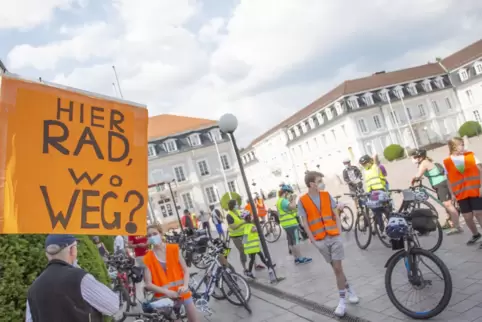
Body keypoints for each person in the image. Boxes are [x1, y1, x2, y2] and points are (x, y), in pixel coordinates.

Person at [298, 171, 359, 317]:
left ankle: (342, 302)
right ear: (311, 184)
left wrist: (338, 232)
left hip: (334, 236)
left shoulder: (326, 195)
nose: (322, 183)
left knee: (338, 268)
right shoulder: (303, 200)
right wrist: (313, 241)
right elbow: (305, 223)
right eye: (319, 180)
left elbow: (335, 215)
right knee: (335, 269)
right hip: (320, 240)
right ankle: (349, 288)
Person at [26, 234, 119, 321]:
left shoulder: (33, 288)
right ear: (72, 250)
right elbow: (113, 305)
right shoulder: (80, 278)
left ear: (47, 254)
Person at [143, 224, 200, 322]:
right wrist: (167, 292)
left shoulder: (173, 249)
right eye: (149, 235)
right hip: (164, 299)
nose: (152, 237)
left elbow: (185, 270)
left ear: (161, 234)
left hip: (182, 293)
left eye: (155, 234)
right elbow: (148, 284)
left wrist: (185, 286)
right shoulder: (147, 258)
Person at [411, 148, 462, 234]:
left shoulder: (424, 163)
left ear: (420, 157)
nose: (413, 159)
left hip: (441, 184)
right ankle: (451, 223)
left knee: (448, 205)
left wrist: (413, 180)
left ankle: (457, 227)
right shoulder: (426, 161)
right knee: (446, 205)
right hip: (441, 184)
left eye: (415, 157)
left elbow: (418, 175)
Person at [443, 137, 482, 247]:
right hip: (461, 193)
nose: (463, 146)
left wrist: (481, 187)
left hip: (475, 190)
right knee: (467, 217)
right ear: (453, 146)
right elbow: (449, 179)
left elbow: (481, 171)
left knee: (479, 213)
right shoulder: (447, 161)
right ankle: (476, 234)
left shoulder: (471, 156)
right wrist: (452, 194)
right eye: (460, 144)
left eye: (463, 144)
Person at [277, 184, 312, 264]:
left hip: (285, 224)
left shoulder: (279, 201)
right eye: (289, 193)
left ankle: (296, 258)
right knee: (296, 241)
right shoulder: (284, 200)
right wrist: (293, 199)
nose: (290, 195)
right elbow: (292, 207)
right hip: (291, 223)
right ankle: (300, 258)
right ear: (286, 192)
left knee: (291, 242)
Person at [359, 154, 388, 236]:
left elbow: (375, 156)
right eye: (363, 164)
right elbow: (368, 183)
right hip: (371, 193)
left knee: (386, 210)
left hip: (380, 191)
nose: (364, 165)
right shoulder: (365, 171)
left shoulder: (375, 167)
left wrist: (373, 158)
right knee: (377, 212)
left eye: (365, 163)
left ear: (370, 161)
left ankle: (391, 227)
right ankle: (382, 230)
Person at [241, 212, 270, 278]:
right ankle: (250, 272)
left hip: (250, 247)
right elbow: (255, 230)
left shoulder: (245, 226)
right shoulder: (251, 226)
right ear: (248, 217)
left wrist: (245, 246)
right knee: (255, 258)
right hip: (253, 247)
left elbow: (245, 237)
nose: (251, 217)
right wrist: (258, 227)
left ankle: (268, 265)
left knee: (258, 257)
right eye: (250, 216)